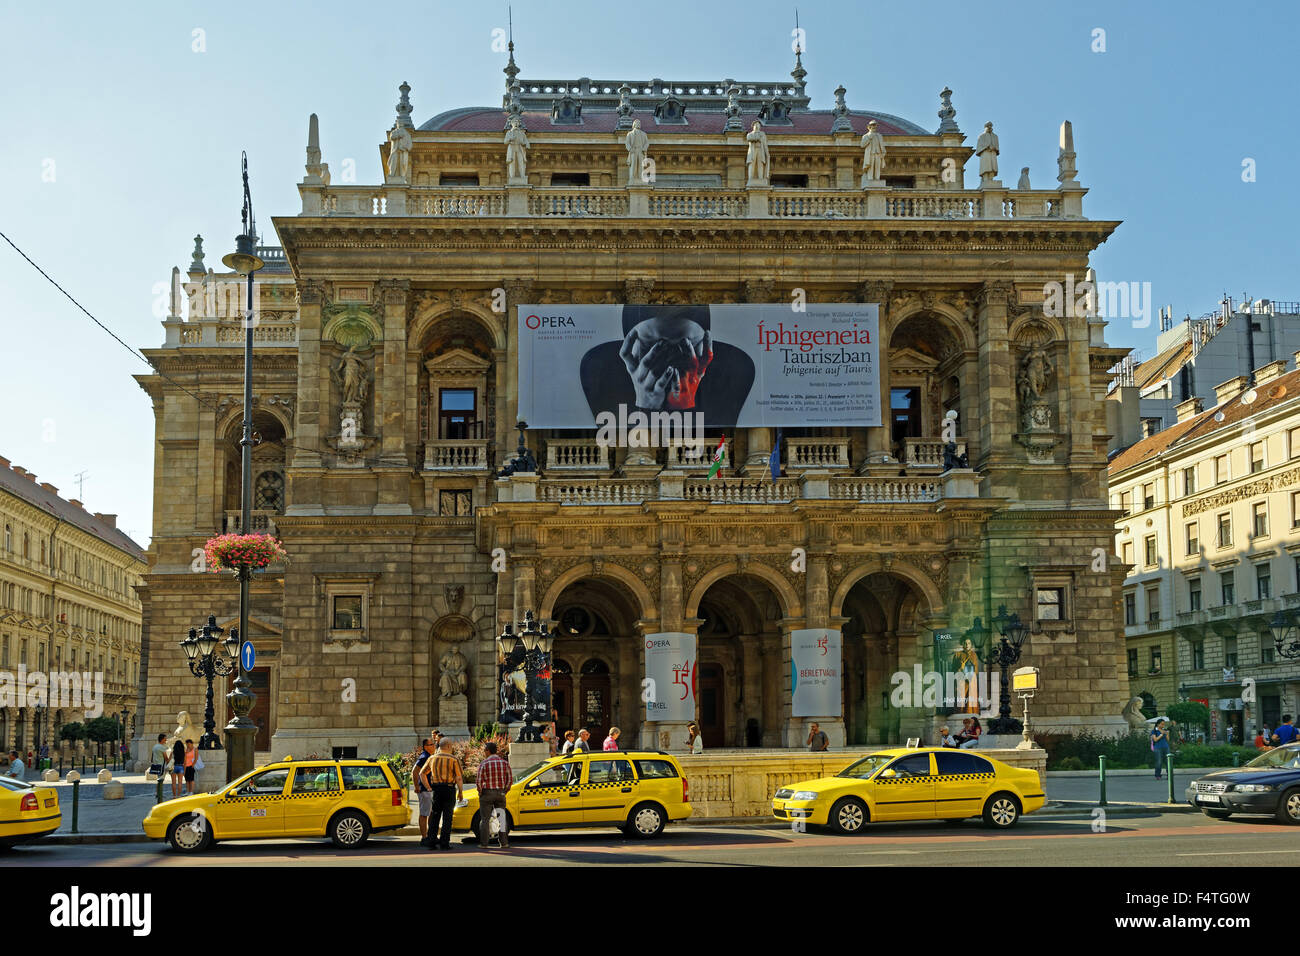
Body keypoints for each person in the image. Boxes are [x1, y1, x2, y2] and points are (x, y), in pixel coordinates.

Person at [419, 738, 463, 851]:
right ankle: (444, 843)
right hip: (449, 789)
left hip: (436, 790)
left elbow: (422, 773)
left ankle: (431, 842)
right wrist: (461, 792)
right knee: (447, 818)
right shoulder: (454, 759)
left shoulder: (432, 758)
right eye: (451, 745)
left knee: (434, 816)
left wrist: (428, 788)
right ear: (448, 746)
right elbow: (458, 777)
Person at [475, 741, 513, 850]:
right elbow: (510, 780)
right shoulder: (504, 763)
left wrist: (480, 792)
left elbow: (478, 781)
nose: (484, 752)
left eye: (484, 750)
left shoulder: (484, 763)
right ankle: (504, 843)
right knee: (502, 818)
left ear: (488, 751)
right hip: (500, 793)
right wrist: (504, 791)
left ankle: (484, 844)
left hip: (487, 793)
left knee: (485, 819)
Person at [412, 738, 436, 842]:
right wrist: (417, 787)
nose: (434, 746)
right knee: (424, 814)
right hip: (425, 790)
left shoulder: (429, 756)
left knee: (430, 813)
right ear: (426, 747)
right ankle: (424, 837)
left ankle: (430, 836)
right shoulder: (424, 757)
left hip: (429, 789)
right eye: (431, 744)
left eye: (434, 744)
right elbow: (414, 771)